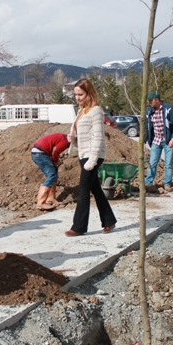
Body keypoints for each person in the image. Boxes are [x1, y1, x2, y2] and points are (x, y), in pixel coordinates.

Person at [65, 79, 117, 237]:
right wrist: (72, 139)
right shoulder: (81, 111)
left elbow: (98, 138)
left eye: (80, 94)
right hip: (83, 154)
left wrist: (92, 161)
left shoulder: (95, 111)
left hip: (93, 156)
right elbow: (82, 138)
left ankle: (79, 227)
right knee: (96, 189)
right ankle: (109, 220)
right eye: (75, 95)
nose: (78, 98)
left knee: (83, 190)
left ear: (89, 93)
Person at [144, 91, 173, 191]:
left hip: (168, 141)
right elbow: (147, 128)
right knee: (152, 163)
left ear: (157, 100)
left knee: (168, 164)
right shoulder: (149, 111)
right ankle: (148, 182)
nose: (149, 103)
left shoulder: (168, 109)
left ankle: (167, 183)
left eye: (151, 101)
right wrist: (144, 141)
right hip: (156, 141)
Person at [31, 132, 70, 210]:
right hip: (40, 153)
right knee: (51, 176)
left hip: (39, 152)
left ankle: (51, 198)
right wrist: (56, 160)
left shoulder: (64, 137)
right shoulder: (66, 141)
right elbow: (55, 151)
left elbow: (54, 149)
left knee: (54, 172)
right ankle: (41, 203)